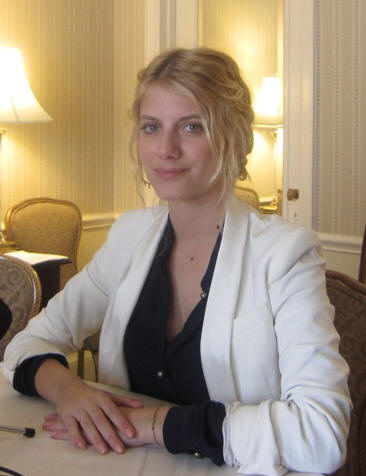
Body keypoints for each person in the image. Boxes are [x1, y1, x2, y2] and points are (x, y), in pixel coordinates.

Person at [1, 48, 350, 475]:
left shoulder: (285, 254)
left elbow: (321, 435)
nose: (165, 149)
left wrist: (151, 424)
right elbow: (25, 346)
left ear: (236, 139)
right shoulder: (130, 236)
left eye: (191, 127)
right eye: (151, 127)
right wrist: (69, 390)